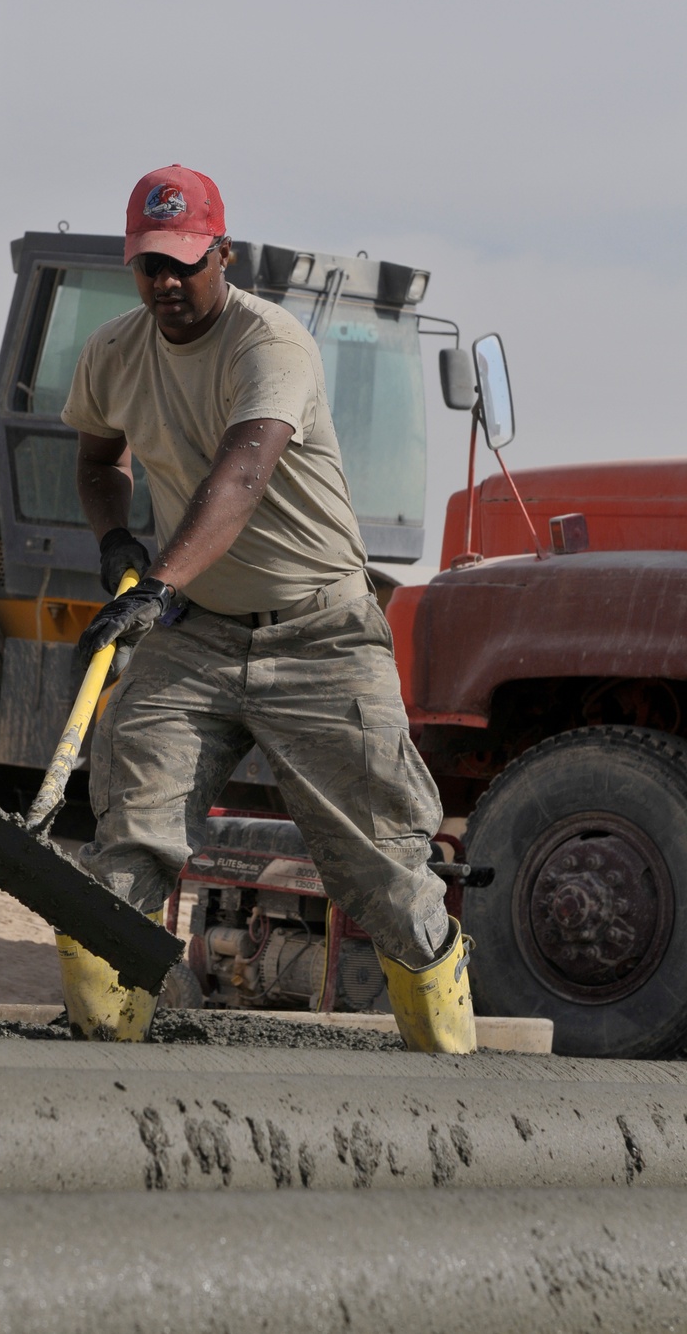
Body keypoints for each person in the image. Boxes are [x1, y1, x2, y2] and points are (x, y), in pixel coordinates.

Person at [57, 163, 475, 1051]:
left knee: (386, 874)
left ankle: (450, 1068)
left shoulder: (270, 343)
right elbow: (99, 462)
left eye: (182, 262)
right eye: (148, 266)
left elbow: (240, 476)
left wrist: (157, 585)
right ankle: (99, 1059)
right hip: (194, 633)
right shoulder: (113, 353)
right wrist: (116, 542)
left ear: (223, 253)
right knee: (132, 835)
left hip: (321, 635)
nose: (165, 282)